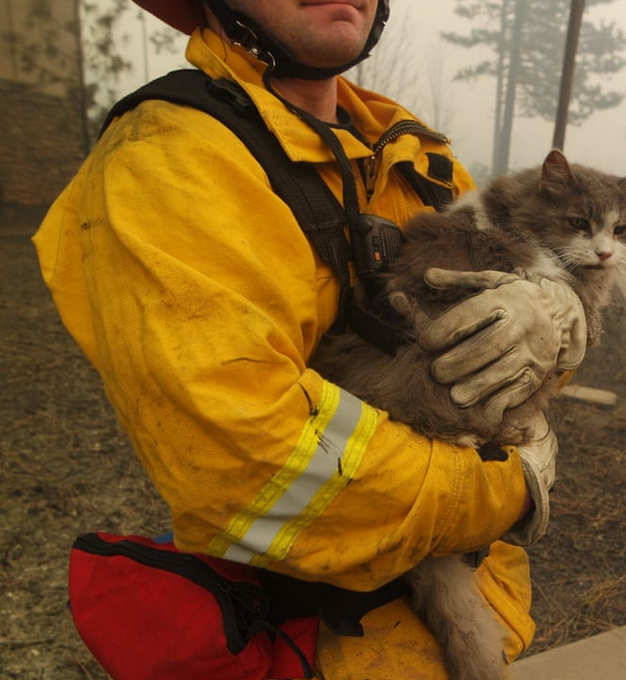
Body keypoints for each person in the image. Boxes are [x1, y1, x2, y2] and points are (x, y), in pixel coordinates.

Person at [33, 0, 588, 677]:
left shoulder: (416, 156)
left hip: (472, 617)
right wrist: (509, 488)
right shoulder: (169, 162)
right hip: (314, 641)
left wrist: (560, 321)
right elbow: (257, 463)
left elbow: (502, 370)